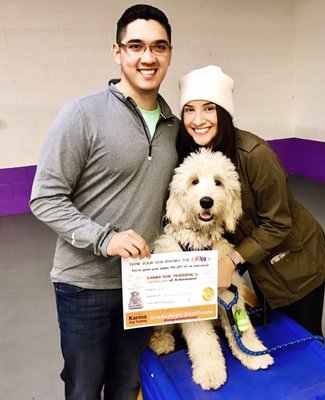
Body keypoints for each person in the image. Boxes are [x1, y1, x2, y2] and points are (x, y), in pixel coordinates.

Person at [30, 4, 179, 399]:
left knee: (128, 384)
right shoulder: (83, 114)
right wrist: (104, 239)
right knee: (82, 388)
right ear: (117, 52)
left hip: (143, 286)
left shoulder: (173, 127)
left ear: (169, 54)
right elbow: (44, 197)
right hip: (84, 285)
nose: (148, 57)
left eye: (158, 47)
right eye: (136, 46)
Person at [176, 65, 325, 336]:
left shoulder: (255, 154)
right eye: (189, 109)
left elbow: (278, 224)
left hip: (297, 263)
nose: (198, 119)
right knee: (276, 331)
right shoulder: (198, 153)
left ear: (223, 113)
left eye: (209, 108)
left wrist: (230, 261)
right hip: (260, 263)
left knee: (307, 341)